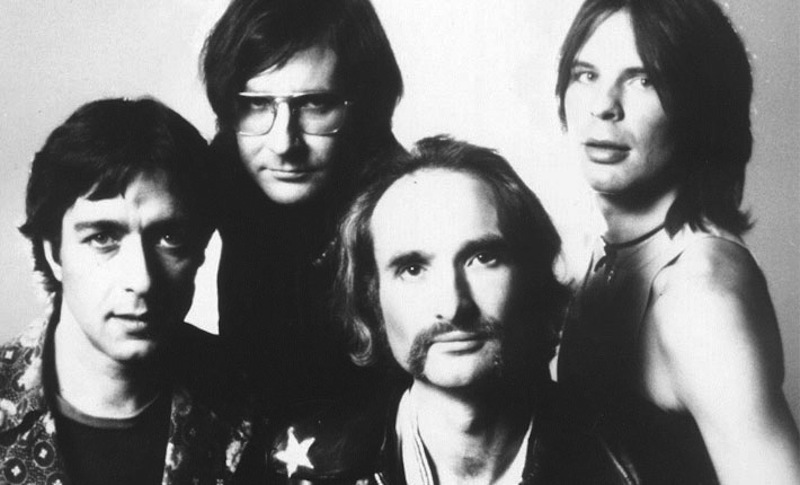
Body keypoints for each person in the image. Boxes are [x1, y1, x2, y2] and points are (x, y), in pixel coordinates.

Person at [266, 136, 640, 484]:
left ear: (533, 277)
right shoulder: (311, 467)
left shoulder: (627, 462)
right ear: (372, 297)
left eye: (483, 258)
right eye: (413, 269)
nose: (452, 307)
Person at [554, 0, 800, 483]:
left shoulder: (700, 297)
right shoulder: (607, 251)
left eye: (643, 80)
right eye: (586, 75)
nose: (603, 105)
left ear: (700, 106)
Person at [3, 98, 257, 484]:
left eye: (169, 237)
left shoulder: (252, 401)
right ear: (53, 253)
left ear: (200, 249)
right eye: (102, 237)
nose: (142, 280)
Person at [201, 0, 404, 413]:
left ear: (363, 106)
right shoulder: (225, 166)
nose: (283, 144)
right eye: (257, 104)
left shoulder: (408, 203)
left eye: (315, 105)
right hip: (251, 433)